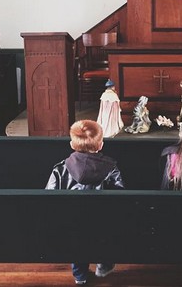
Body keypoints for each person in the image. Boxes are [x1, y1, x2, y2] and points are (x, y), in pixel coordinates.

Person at [45, 120, 125, 285]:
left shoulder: (60, 169)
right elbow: (120, 195)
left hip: (72, 220)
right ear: (100, 145)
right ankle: (103, 265)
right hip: (102, 221)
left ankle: (80, 276)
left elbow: (49, 196)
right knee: (104, 239)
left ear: (72, 145)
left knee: (77, 245)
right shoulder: (111, 168)